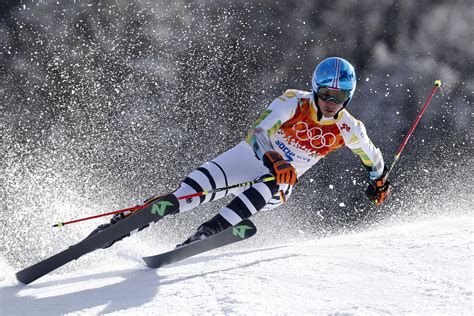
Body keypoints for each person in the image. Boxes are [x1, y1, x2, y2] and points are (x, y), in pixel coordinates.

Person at [90, 57, 391, 248]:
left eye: (338, 97)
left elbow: (372, 157)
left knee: (280, 178)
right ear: (315, 89)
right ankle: (123, 224)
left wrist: (379, 181)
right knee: (189, 193)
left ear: (347, 98)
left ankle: (210, 231)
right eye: (325, 93)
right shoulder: (292, 102)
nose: (330, 101)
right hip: (248, 158)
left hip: (278, 183)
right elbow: (257, 132)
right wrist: (271, 156)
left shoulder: (350, 129)